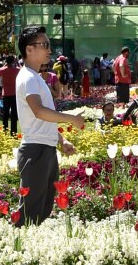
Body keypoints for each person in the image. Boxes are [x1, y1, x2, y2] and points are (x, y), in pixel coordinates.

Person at [14, 26, 85, 225]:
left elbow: (42, 117)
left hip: (44, 147)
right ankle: (17, 250)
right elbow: (39, 111)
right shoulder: (28, 77)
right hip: (35, 150)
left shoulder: (34, 77)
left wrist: (62, 140)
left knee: (42, 208)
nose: (49, 50)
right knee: (30, 211)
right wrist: (71, 119)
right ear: (29, 49)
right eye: (44, 45)